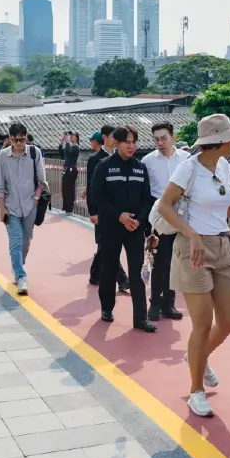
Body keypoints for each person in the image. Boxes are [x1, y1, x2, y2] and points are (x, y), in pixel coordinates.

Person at [156, 114, 230, 418]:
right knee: (202, 322)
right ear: (216, 142)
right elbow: (164, 206)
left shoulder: (223, 166)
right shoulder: (188, 168)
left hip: (222, 246)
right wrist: (192, 235)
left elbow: (229, 207)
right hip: (193, 248)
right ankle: (196, 390)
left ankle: (197, 356)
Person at [91, 126, 156, 331]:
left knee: (137, 273)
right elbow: (97, 197)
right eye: (127, 142)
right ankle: (107, 308)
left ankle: (140, 318)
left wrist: (141, 220)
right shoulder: (104, 166)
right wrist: (119, 216)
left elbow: (147, 198)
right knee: (109, 269)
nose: (131, 146)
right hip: (111, 227)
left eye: (134, 142)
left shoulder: (140, 168)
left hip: (134, 228)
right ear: (116, 143)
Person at [140, 122, 188, 322]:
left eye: (164, 138)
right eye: (156, 139)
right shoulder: (147, 161)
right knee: (158, 262)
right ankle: (155, 304)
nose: (160, 143)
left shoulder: (187, 160)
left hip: (181, 217)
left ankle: (170, 303)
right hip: (158, 219)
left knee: (176, 263)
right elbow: (144, 192)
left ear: (173, 137)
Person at [0, 122, 48, 296]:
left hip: (30, 205)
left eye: (22, 139)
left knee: (26, 240)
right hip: (10, 206)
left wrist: (35, 199)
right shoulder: (2, 156)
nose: (19, 143)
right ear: (10, 139)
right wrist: (2, 208)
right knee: (15, 242)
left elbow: (42, 180)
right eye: (16, 140)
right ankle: (21, 275)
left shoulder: (34, 153)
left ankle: (18, 264)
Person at [87, 126, 128, 291]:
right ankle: (123, 278)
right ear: (104, 137)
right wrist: (93, 211)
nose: (116, 140)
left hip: (119, 210)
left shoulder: (123, 157)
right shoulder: (95, 159)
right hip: (103, 210)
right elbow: (91, 187)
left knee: (105, 244)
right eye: (113, 137)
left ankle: (95, 273)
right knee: (108, 243)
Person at [58, 132, 81, 213]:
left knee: (69, 189)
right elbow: (61, 153)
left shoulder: (76, 147)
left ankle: (70, 209)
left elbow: (70, 151)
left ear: (77, 138)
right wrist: (62, 140)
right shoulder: (69, 146)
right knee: (64, 188)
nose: (71, 137)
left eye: (73, 135)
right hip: (66, 168)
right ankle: (65, 208)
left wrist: (67, 142)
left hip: (72, 168)